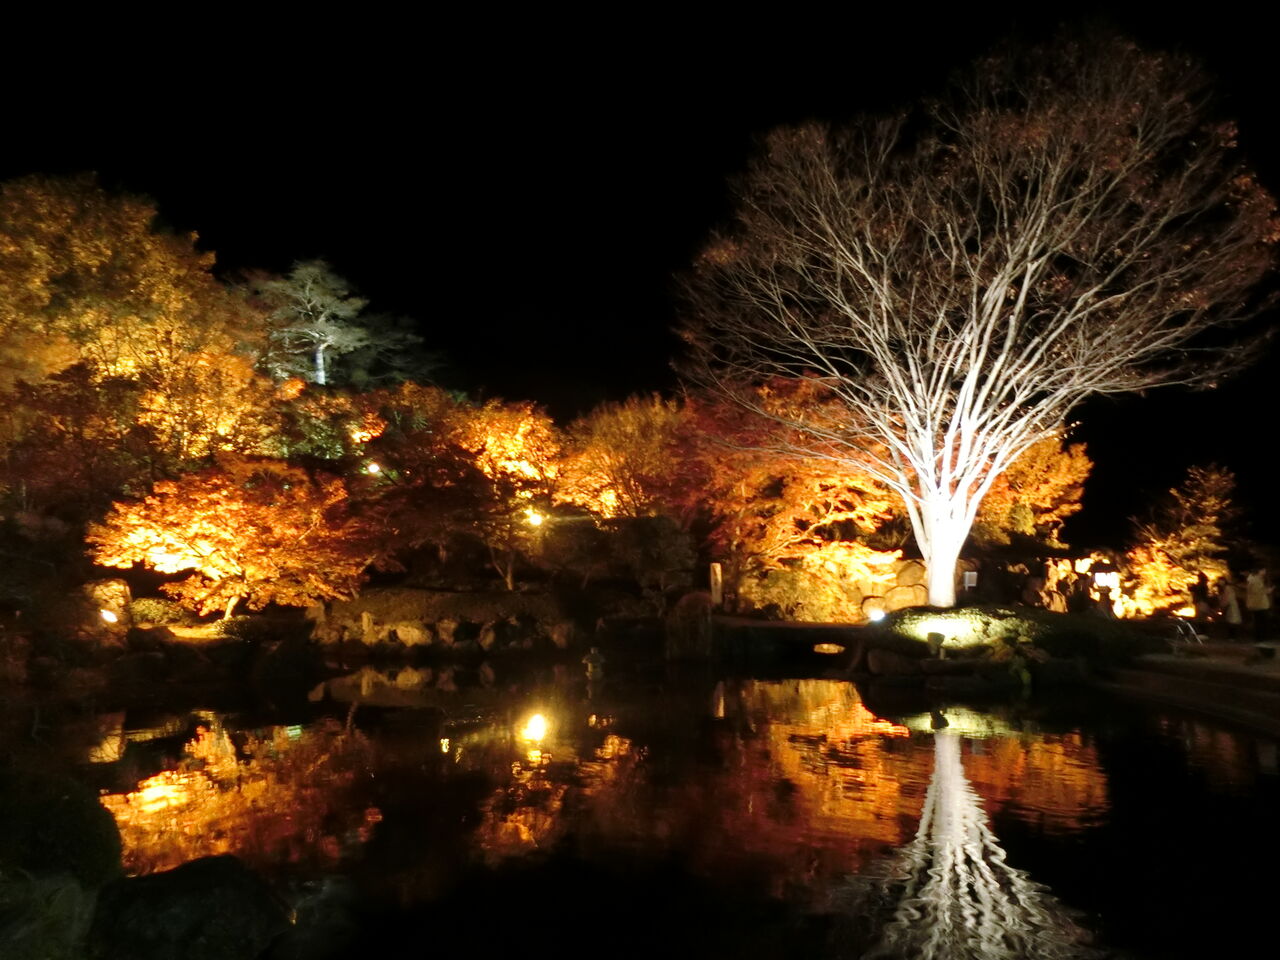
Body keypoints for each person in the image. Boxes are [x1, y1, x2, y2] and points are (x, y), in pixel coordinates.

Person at [1245, 569, 1272, 642]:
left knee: (1259, 622)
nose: (1265, 572)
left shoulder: (1253, 579)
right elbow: (1257, 591)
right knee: (1261, 623)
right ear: (1260, 570)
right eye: (1264, 570)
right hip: (1259, 604)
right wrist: (1267, 591)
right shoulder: (1256, 580)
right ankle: (1260, 639)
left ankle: (1260, 639)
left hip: (1257, 604)